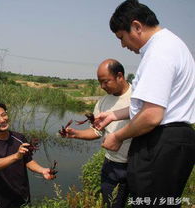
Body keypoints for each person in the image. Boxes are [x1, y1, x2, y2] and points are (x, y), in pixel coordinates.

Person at [95, 0, 195, 207]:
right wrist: (114, 115)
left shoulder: (159, 52)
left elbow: (151, 116)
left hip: (160, 142)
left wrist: (117, 136)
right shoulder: (172, 45)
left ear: (137, 26)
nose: (123, 44)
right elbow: (151, 106)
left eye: (122, 37)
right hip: (174, 141)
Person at [64, 59, 131, 208]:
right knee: (110, 204)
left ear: (120, 76)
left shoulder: (139, 98)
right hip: (111, 165)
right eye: (99, 82)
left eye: (105, 82)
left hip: (136, 165)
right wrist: (76, 134)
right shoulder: (102, 102)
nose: (102, 86)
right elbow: (96, 131)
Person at [0, 102, 55, 208]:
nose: (2, 120)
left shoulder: (19, 138)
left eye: (3, 114)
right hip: (0, 201)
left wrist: (42, 170)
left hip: (22, 197)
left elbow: (28, 161)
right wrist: (16, 156)